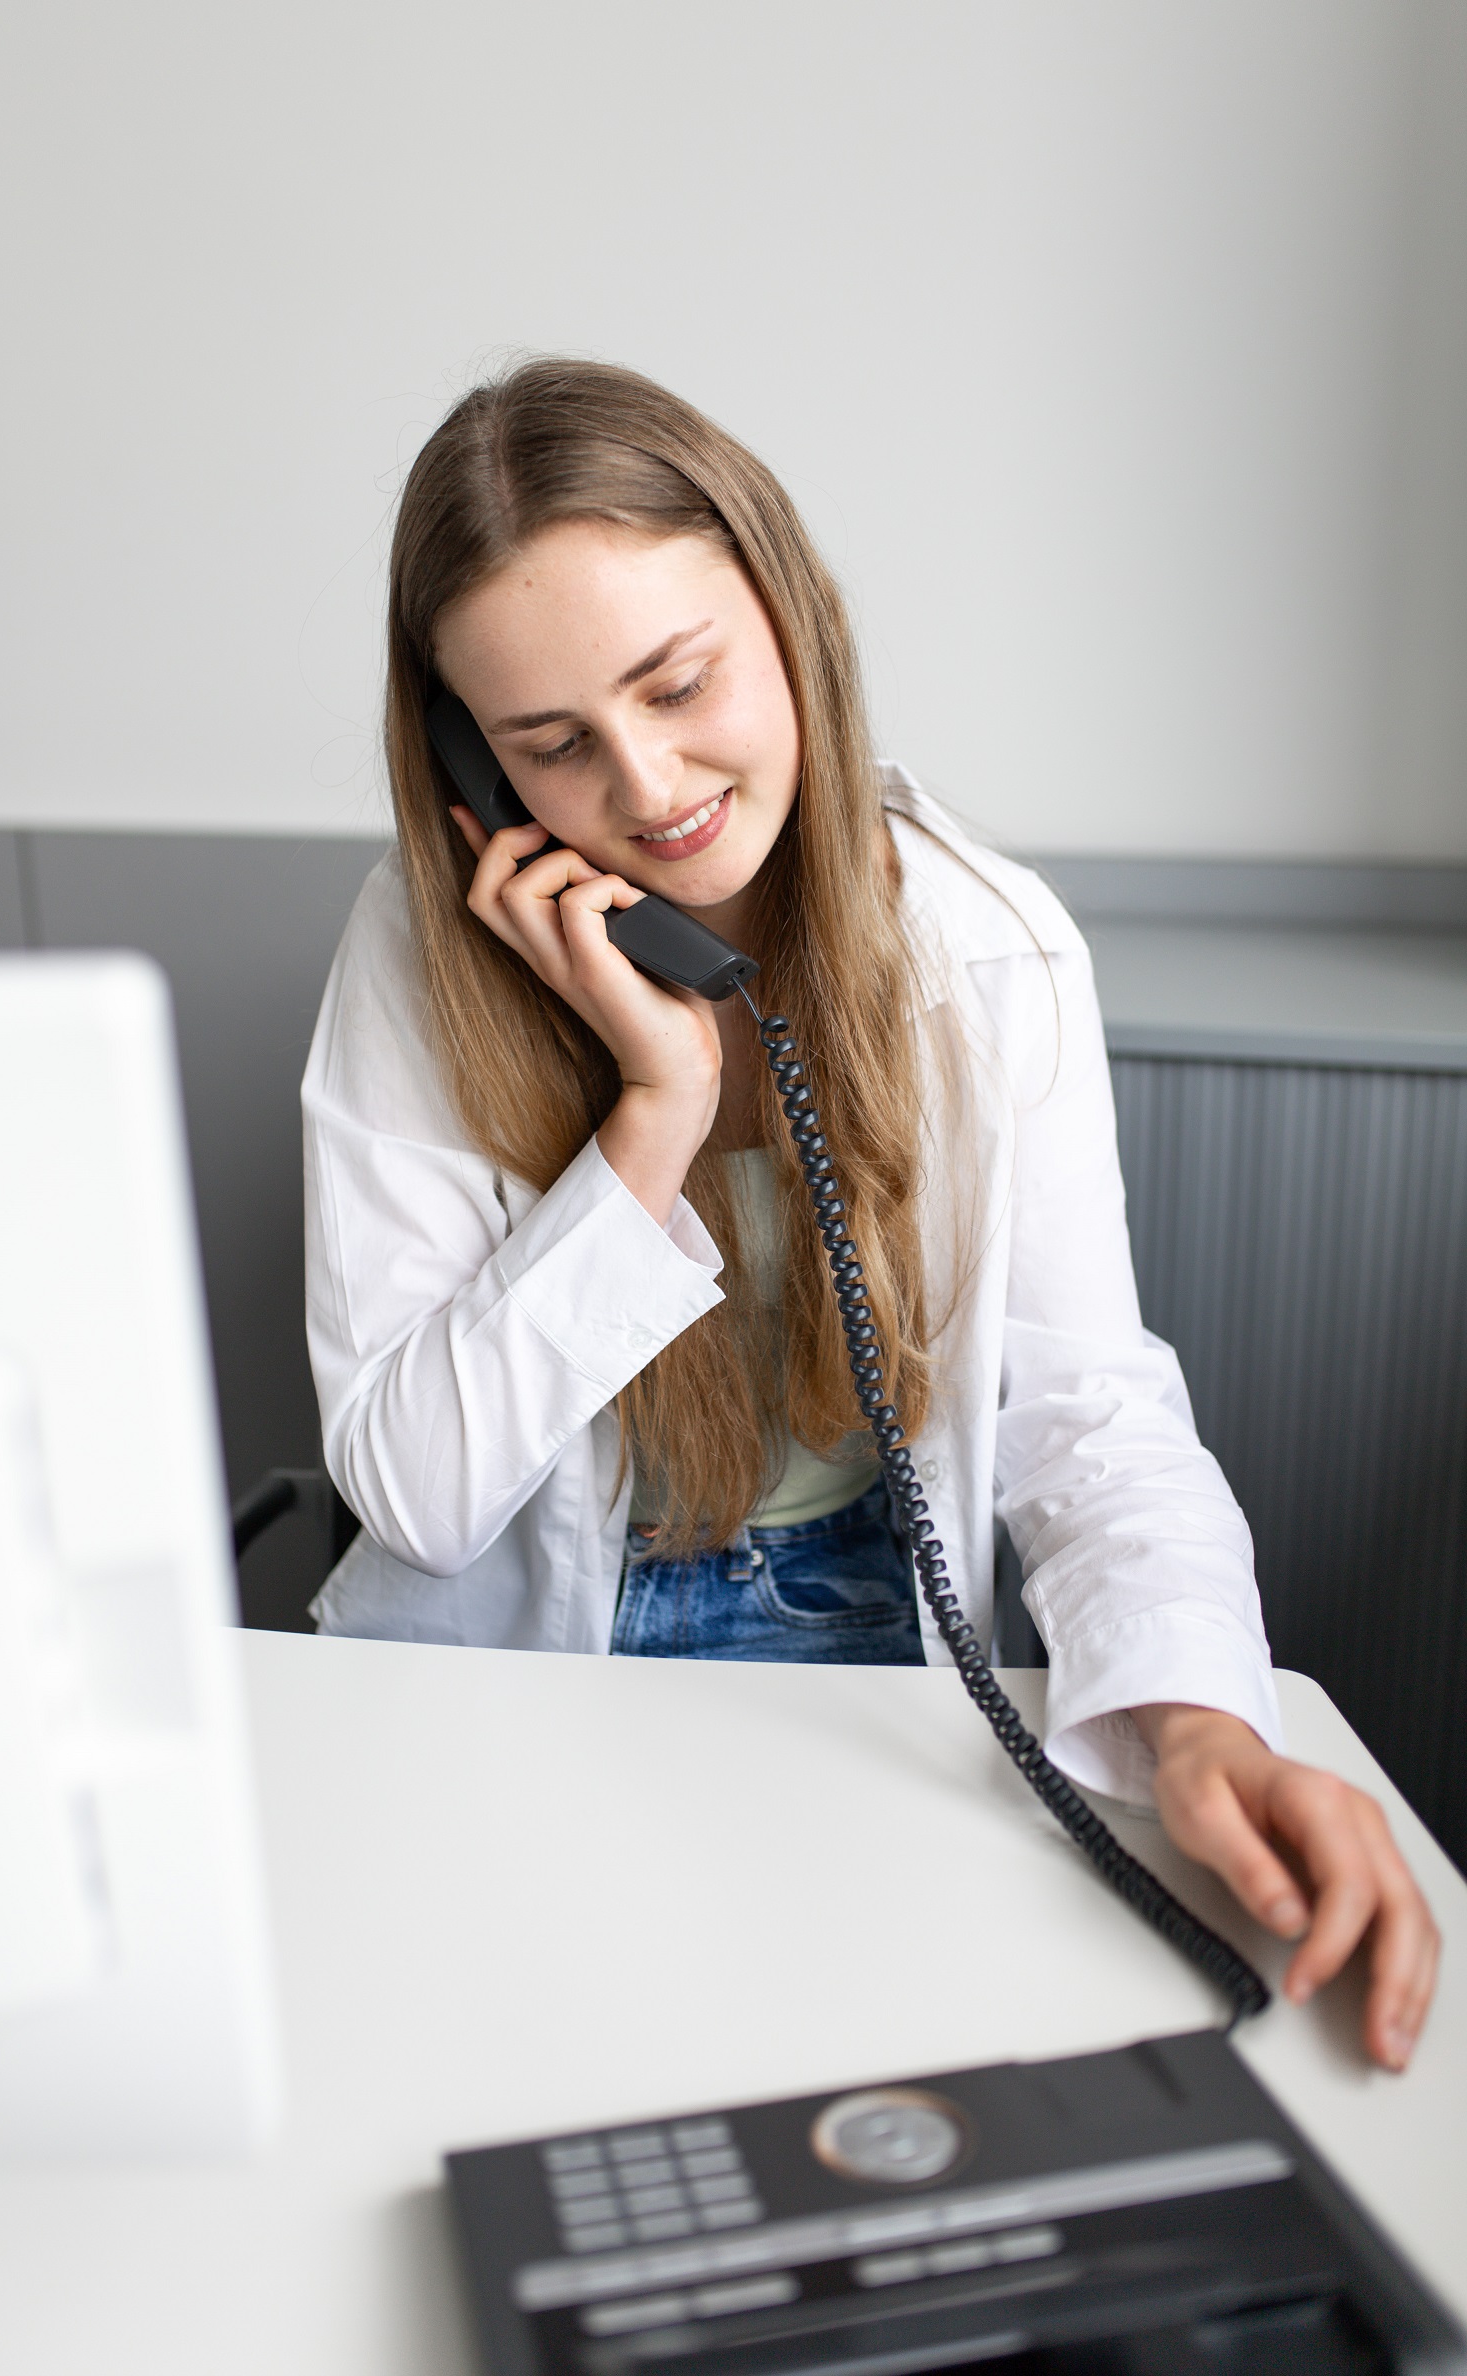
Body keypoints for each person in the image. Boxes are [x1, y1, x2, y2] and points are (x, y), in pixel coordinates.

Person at [302, 357, 1437, 2069]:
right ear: (474, 768)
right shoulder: (416, 953)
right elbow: (417, 1496)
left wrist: (1202, 1726)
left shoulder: (988, 944)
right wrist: (657, 1109)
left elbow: (1089, 1409)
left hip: (867, 1626)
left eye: (680, 682)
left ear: (788, 610)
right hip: (524, 1656)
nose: (647, 783)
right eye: (552, 747)